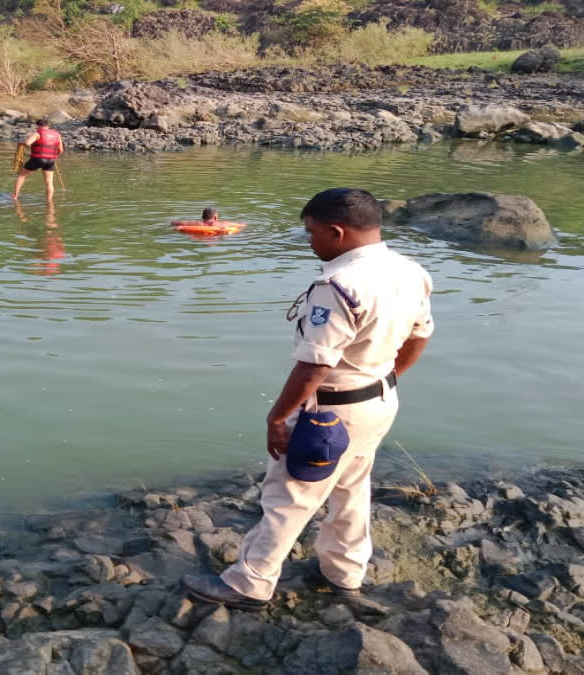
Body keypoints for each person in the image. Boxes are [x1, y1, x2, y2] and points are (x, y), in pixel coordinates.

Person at [182, 187, 435, 609]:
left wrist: (276, 418)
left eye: (311, 232)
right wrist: (384, 378)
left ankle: (250, 582)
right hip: (379, 401)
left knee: (289, 497)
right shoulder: (410, 271)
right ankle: (343, 572)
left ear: (337, 232)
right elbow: (419, 336)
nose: (310, 241)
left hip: (331, 410)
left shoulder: (338, 285)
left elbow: (314, 365)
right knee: (352, 489)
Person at [12, 119, 63, 203]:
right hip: (51, 160)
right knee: (49, 182)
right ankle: (49, 201)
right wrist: (54, 156)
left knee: (22, 175)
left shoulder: (37, 133)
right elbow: (60, 150)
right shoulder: (57, 134)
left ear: (38, 126)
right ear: (48, 126)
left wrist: (22, 143)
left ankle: (15, 196)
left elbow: (28, 143)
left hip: (38, 159)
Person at [171, 208, 244, 229]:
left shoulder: (197, 224)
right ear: (215, 217)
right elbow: (241, 225)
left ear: (203, 216)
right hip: (216, 237)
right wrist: (243, 223)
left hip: (198, 238)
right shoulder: (221, 224)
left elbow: (173, 223)